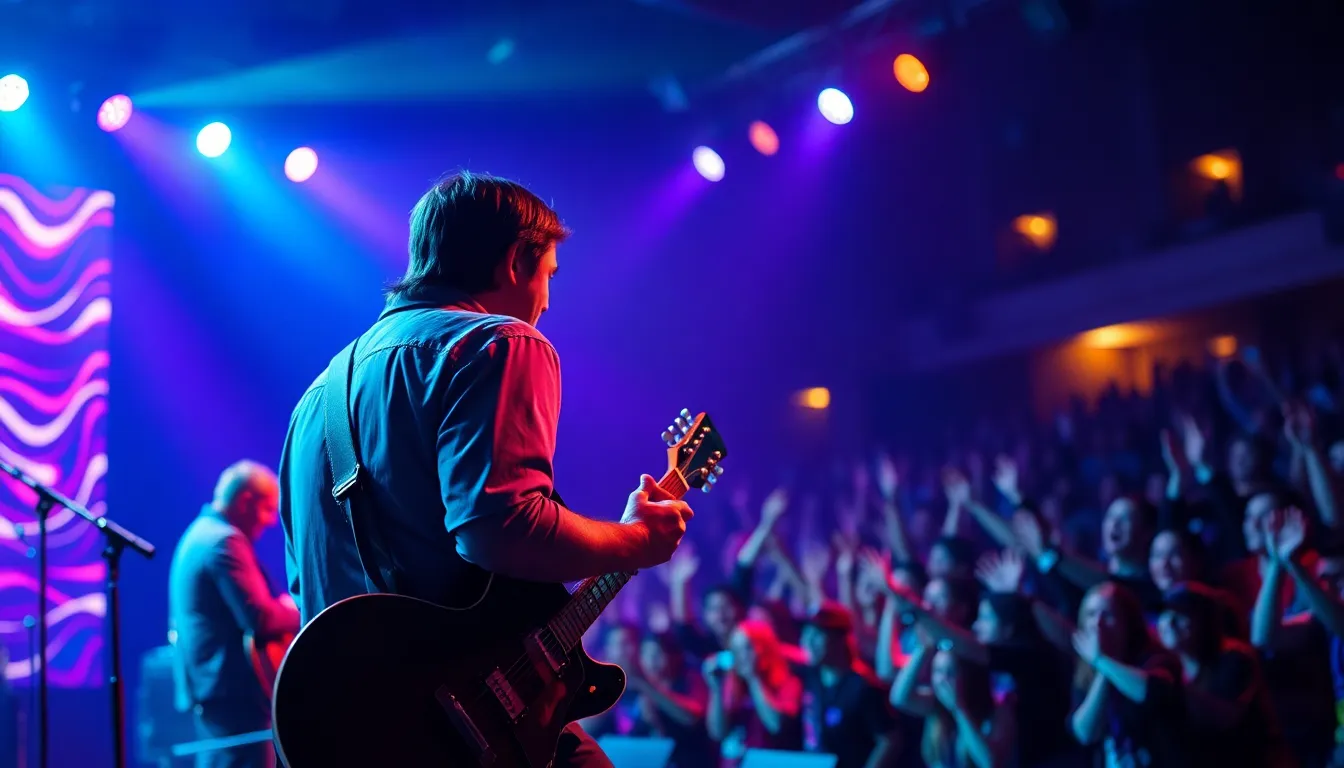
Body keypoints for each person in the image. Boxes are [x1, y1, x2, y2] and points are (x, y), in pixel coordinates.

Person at [277, 172, 693, 768]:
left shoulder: (314, 401)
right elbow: (500, 528)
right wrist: (635, 541)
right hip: (455, 725)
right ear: (514, 262)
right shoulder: (500, 342)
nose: (547, 301)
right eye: (548, 274)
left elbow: (307, 587)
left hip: (351, 731)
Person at [169, 461, 299, 768]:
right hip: (232, 690)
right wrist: (299, 608)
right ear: (245, 501)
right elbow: (259, 618)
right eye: (268, 509)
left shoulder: (198, 534)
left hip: (211, 688)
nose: (269, 522)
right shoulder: (223, 541)